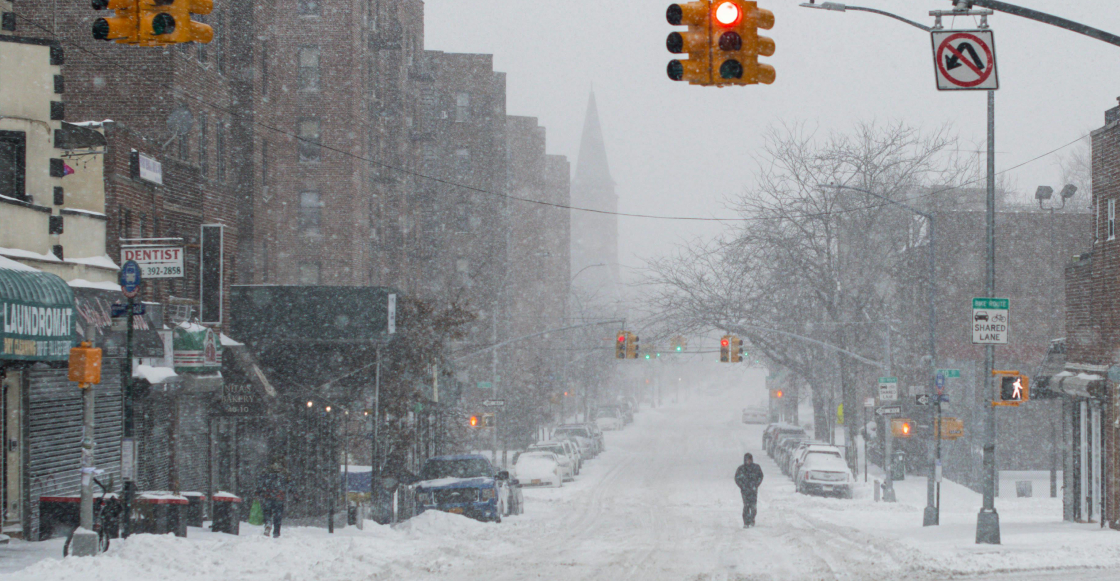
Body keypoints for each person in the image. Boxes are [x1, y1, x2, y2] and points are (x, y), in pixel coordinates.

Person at [256, 461, 294, 538]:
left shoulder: (266, 471)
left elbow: (260, 483)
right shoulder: (284, 472)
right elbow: (290, 484)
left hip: (267, 495)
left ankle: (268, 523)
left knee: (267, 512)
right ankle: (276, 532)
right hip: (279, 496)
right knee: (278, 515)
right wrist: (293, 493)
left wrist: (258, 492)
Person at [734, 453, 764, 528]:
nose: (748, 461)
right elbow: (737, 478)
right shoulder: (741, 469)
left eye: (749, 460)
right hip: (745, 490)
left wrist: (756, 484)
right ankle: (746, 522)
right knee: (746, 505)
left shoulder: (756, 468)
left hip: (753, 490)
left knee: (753, 506)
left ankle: (752, 519)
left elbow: (760, 476)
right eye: (747, 460)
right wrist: (742, 486)